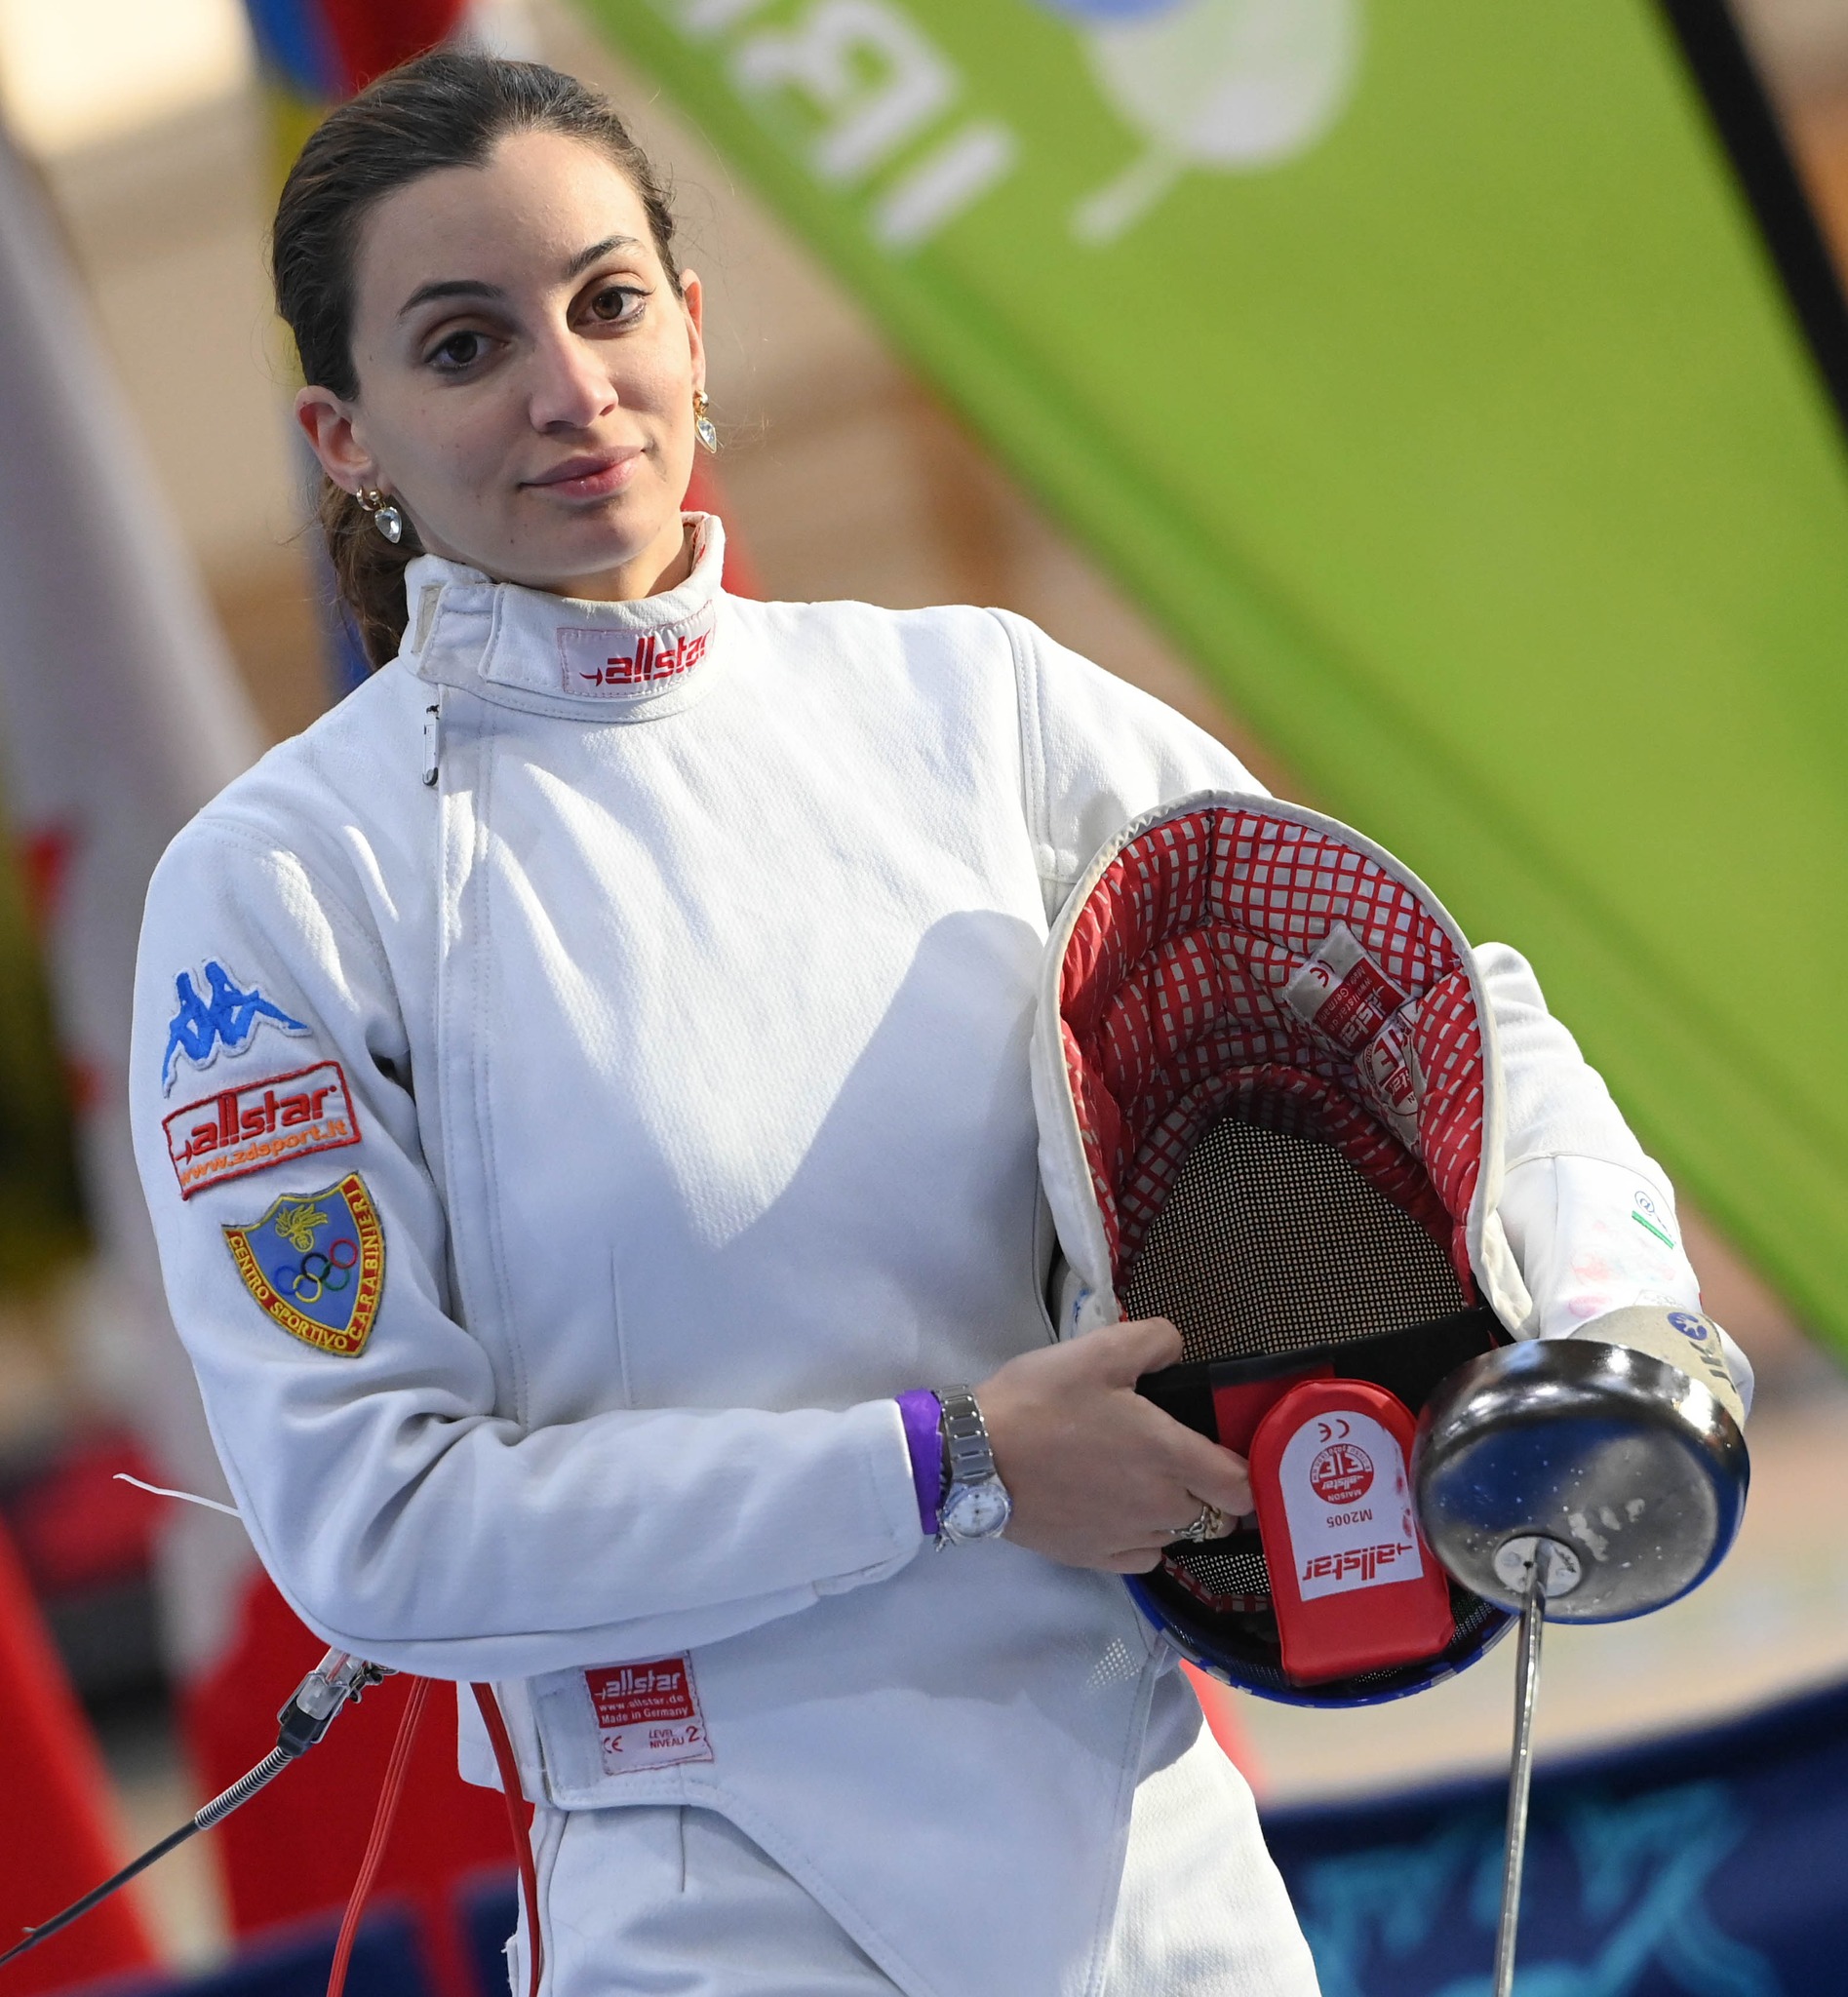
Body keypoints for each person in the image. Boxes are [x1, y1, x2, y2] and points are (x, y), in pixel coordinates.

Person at [127, 49, 1747, 1997]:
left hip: (1149, 1859)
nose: (570, 387)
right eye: (465, 345)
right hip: (712, 1899)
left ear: (691, 326)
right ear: (346, 434)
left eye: (608, 302)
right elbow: (380, 1528)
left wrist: (1621, 1313)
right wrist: (950, 1462)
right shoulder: (291, 883)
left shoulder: (976, 707)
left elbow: (1435, 1008)